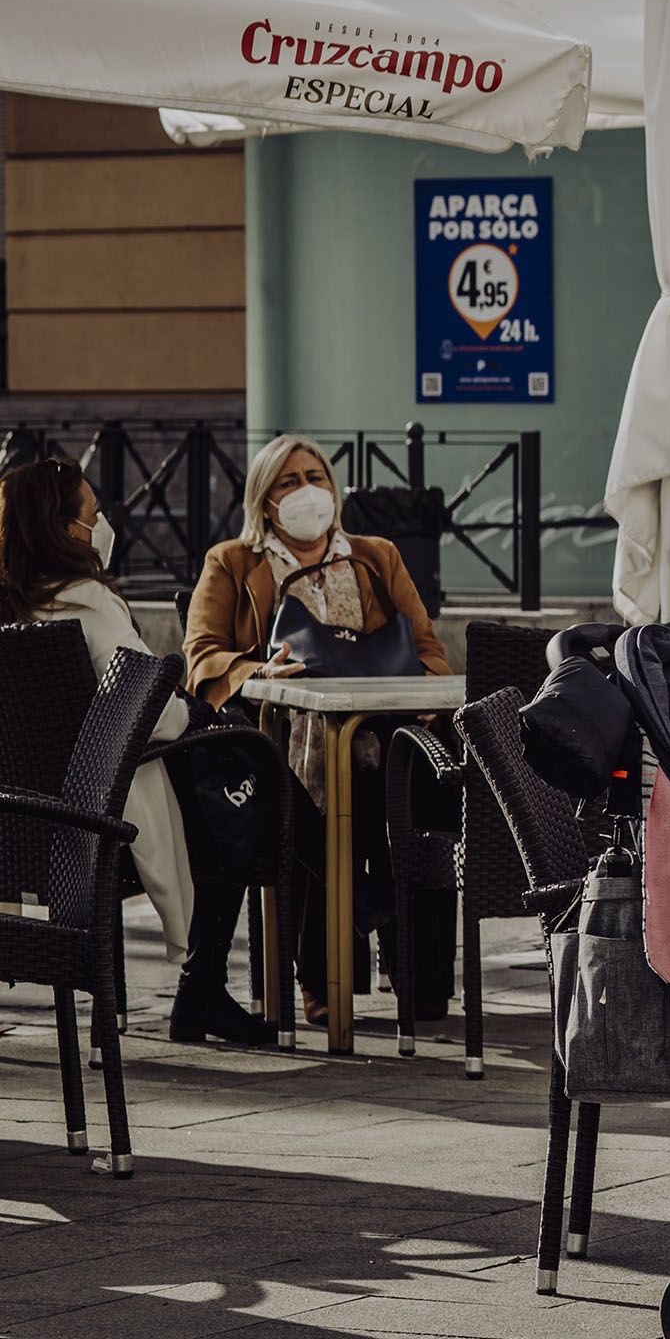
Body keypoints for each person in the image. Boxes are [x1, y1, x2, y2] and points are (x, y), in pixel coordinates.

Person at [185, 434, 449, 1025]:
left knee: (419, 780)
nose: (308, 491)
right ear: (264, 499)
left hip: (376, 734)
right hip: (278, 739)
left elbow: (428, 649)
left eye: (317, 477)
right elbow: (201, 656)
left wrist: (425, 696)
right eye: (288, 482)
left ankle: (414, 969)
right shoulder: (233, 561)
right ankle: (328, 967)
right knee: (316, 788)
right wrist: (259, 671)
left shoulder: (376, 556)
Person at [0, 460, 258, 1045]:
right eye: (94, 514)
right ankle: (203, 983)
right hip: (100, 825)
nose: (103, 523)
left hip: (18, 825)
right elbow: (156, 716)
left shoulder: (11, 610)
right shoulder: (87, 605)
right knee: (233, 784)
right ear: (69, 531)